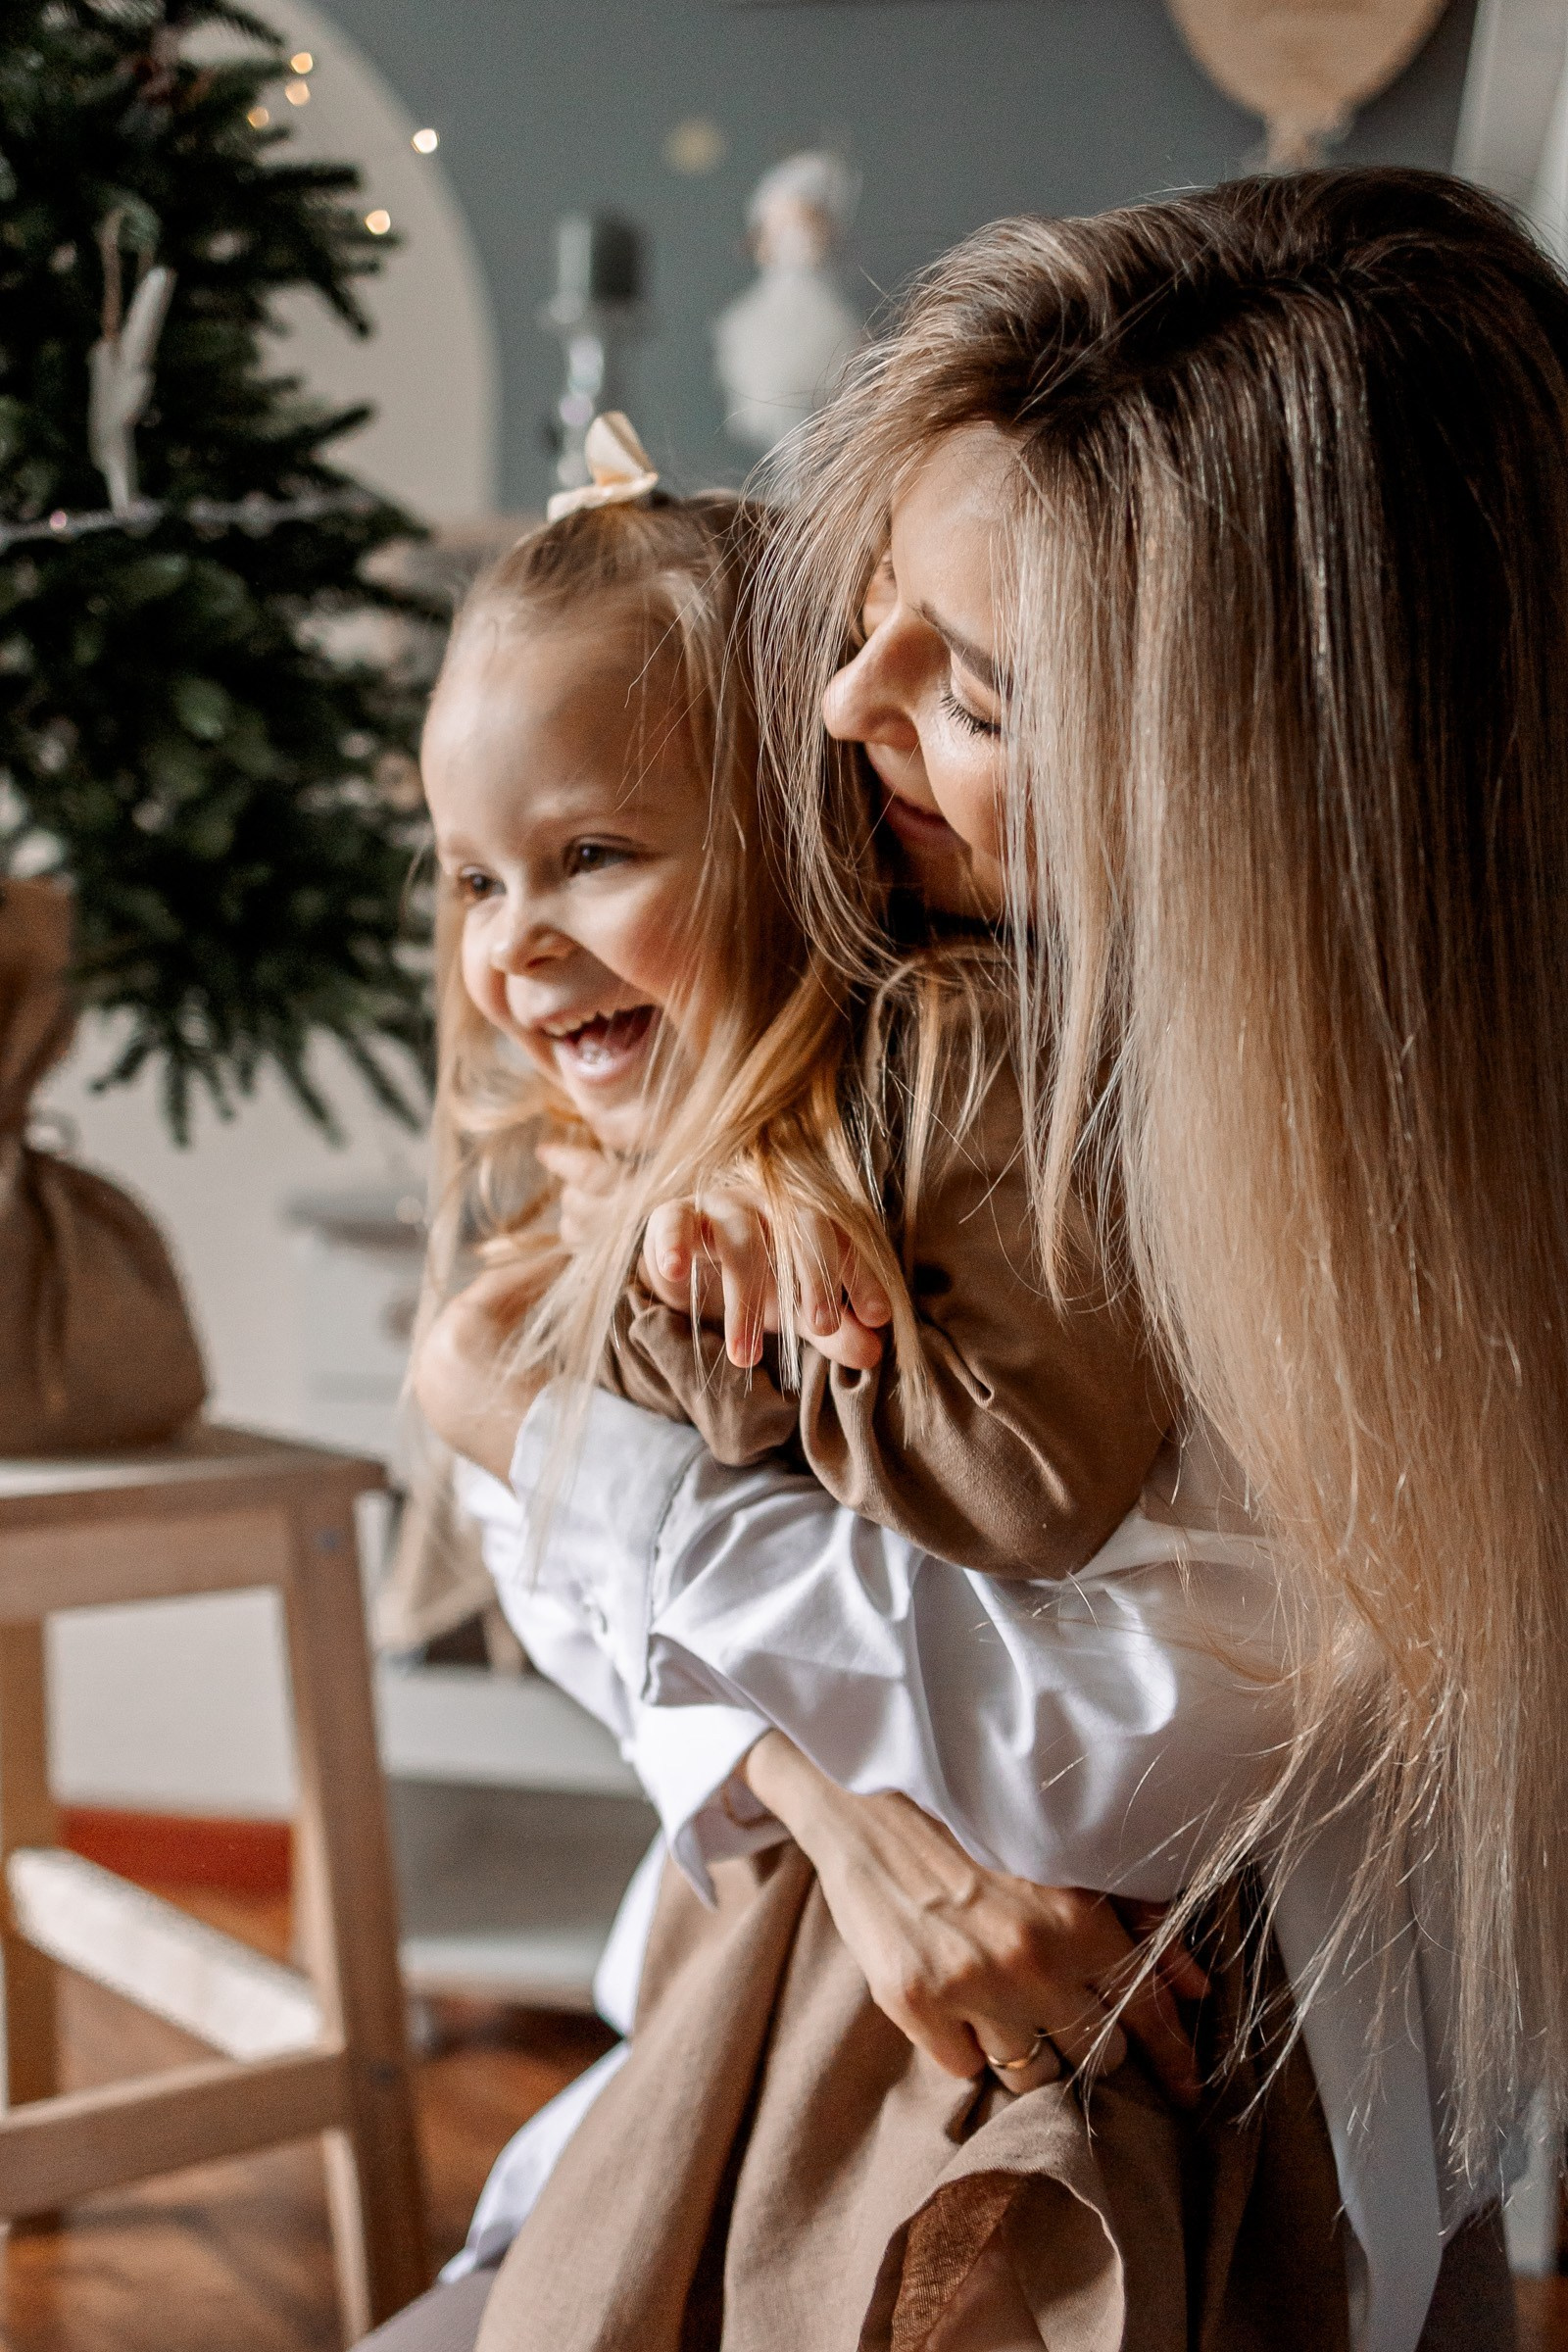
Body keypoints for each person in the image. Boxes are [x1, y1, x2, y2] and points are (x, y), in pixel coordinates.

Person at [382, 165, 1568, 2348]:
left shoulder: (1361, 1222)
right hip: (799, 2012)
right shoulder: (881, 948)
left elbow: (1102, 1748)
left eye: (978, 698)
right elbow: (545, 1520)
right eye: (867, 610)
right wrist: (827, 1813)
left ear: (1261, 795)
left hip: (1176, 2125)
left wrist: (553, 1433)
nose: (837, 711)